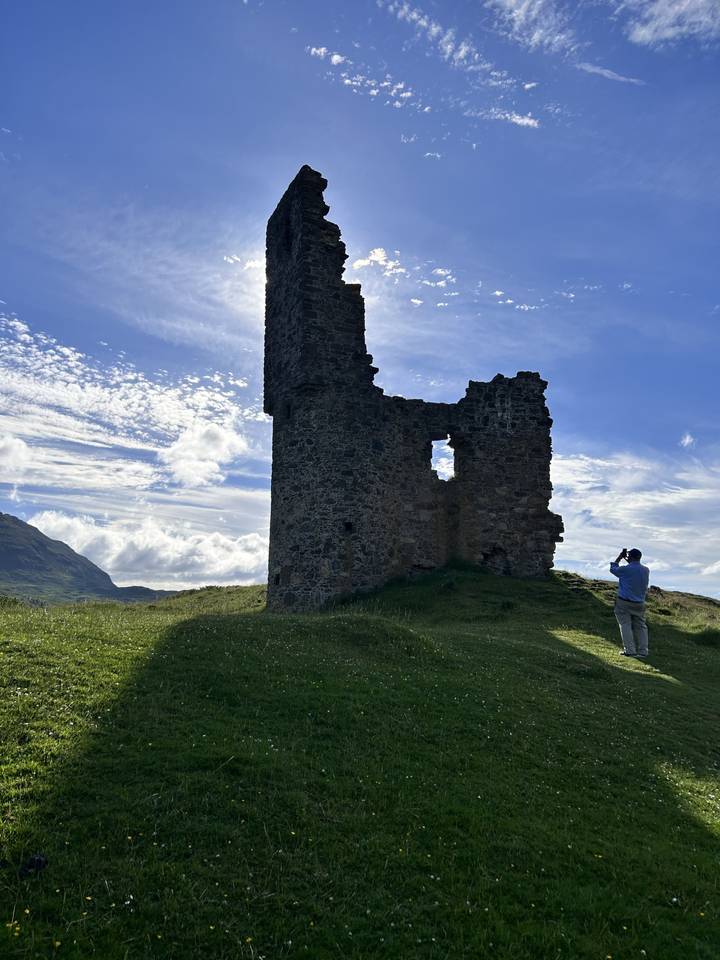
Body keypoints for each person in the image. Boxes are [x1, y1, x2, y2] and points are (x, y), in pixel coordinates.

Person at [609, 548, 650, 658]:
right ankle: (643, 651)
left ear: (629, 557)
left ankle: (630, 650)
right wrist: (628, 559)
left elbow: (613, 569)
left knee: (625, 625)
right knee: (641, 627)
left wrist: (620, 557)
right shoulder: (646, 570)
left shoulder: (625, 570)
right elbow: (633, 567)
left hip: (624, 602)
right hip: (639, 603)